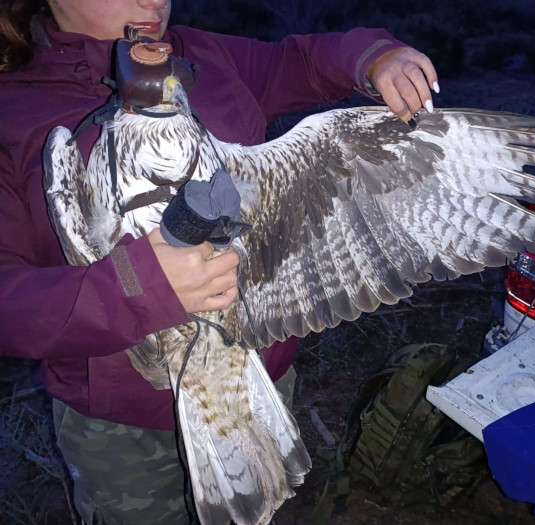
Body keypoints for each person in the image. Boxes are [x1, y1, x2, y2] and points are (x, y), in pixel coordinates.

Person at [0, 0, 439, 522]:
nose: (153, 2)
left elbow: (300, 61)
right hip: (122, 428)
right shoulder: (15, 112)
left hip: (250, 378)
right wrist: (135, 284)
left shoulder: (202, 54)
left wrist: (373, 57)